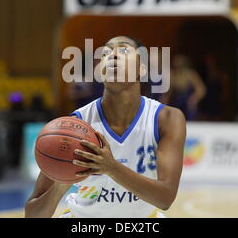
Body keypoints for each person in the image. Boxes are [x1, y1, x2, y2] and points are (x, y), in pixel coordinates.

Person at [25, 36, 186, 218]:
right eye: (106, 52)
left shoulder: (166, 119)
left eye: (124, 50)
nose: (113, 55)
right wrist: (61, 185)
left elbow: (165, 198)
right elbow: (34, 215)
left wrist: (111, 167)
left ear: (141, 70)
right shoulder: (76, 125)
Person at [161, 54, 206, 120]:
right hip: (176, 103)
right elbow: (168, 92)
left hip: (188, 104)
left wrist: (194, 99)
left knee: (190, 112)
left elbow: (201, 89)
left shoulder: (191, 75)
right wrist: (163, 103)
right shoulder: (173, 75)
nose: (178, 70)